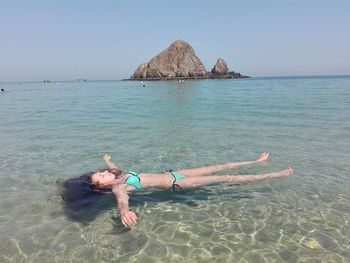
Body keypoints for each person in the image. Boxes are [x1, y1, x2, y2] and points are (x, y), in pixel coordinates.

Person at [86, 152, 293, 228]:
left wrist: (107, 160)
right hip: (176, 184)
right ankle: (276, 175)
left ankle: (256, 161)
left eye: (102, 172)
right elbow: (122, 201)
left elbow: (113, 168)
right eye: (101, 177)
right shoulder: (119, 187)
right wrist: (124, 212)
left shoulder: (117, 175)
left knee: (221, 166)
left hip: (175, 173)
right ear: (102, 186)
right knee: (226, 178)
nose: (105, 173)